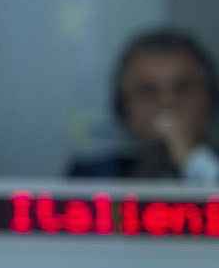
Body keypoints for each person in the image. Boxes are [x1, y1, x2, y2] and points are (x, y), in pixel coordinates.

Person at [68, 28, 219, 182]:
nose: (168, 102)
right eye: (149, 91)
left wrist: (194, 159)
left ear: (211, 99)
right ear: (123, 108)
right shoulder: (91, 176)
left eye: (183, 87)